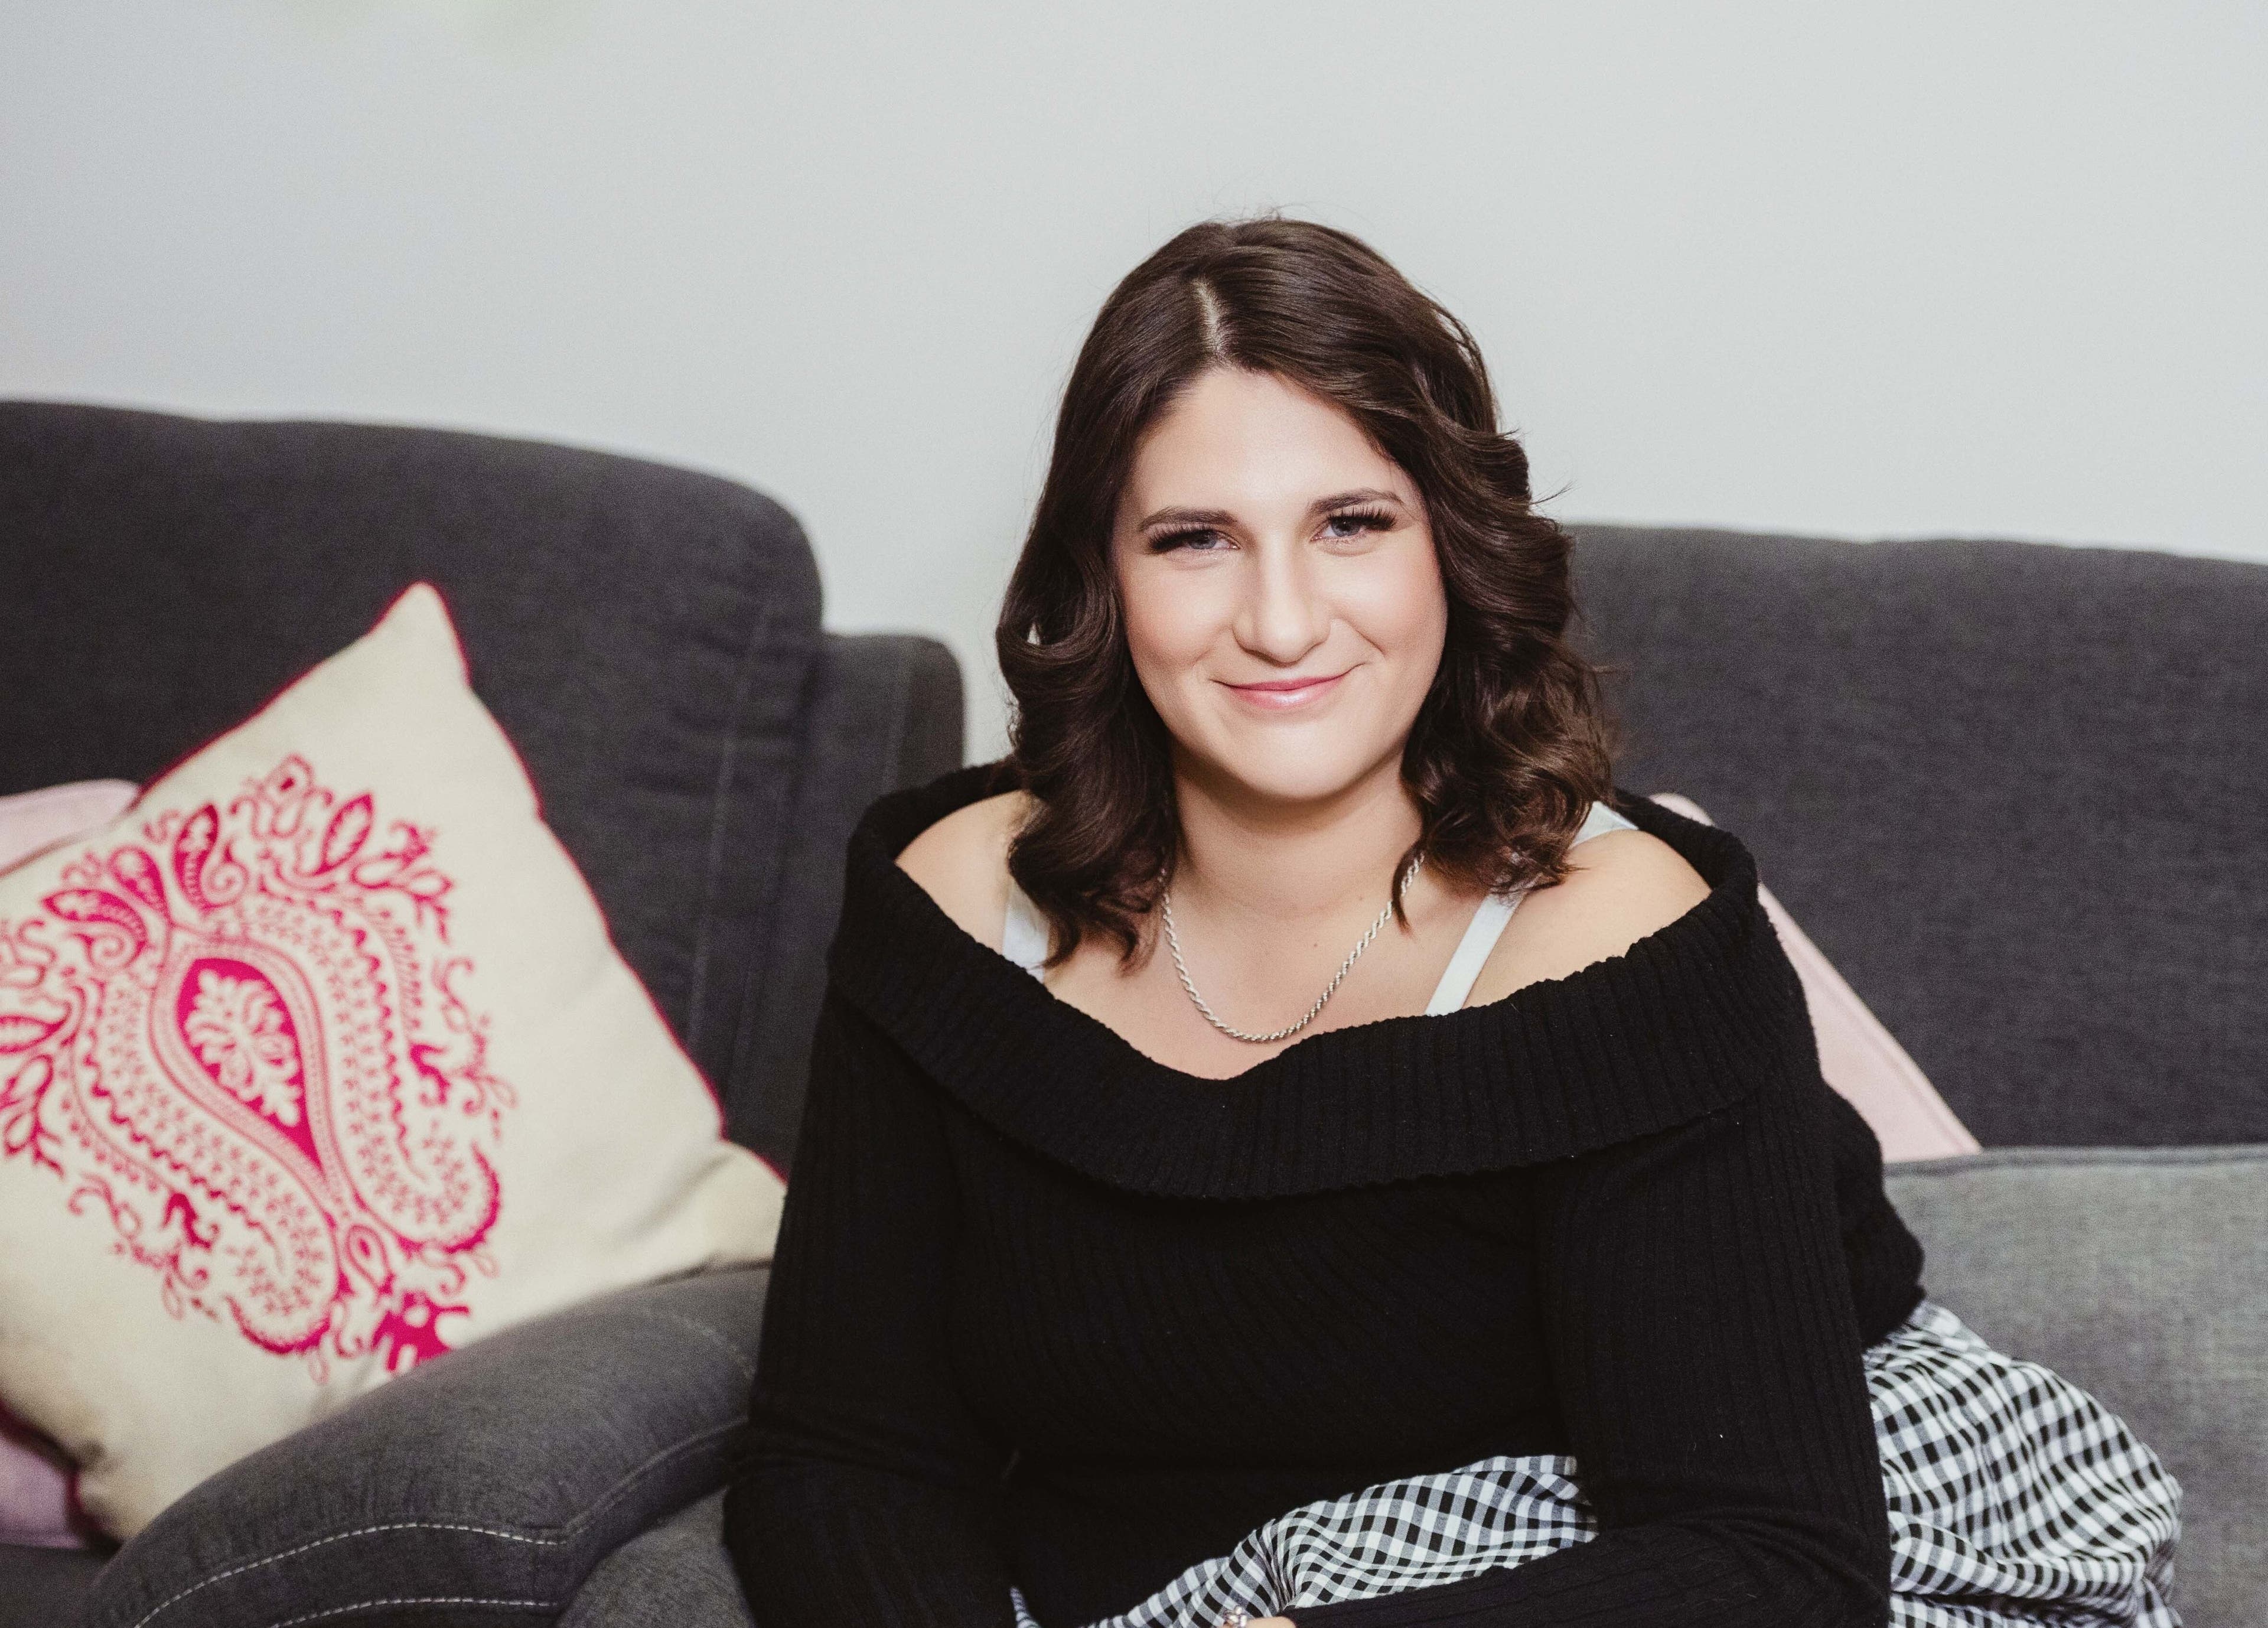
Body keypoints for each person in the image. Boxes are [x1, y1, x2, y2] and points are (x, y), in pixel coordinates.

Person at [722, 216, 2183, 1628]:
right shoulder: (950, 911)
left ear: (1452, 549)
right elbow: (845, 1453)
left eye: (1352, 524)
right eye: (1195, 539)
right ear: (1100, 574)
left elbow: (1764, 1556)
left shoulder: (1625, 942)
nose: (1282, 622)